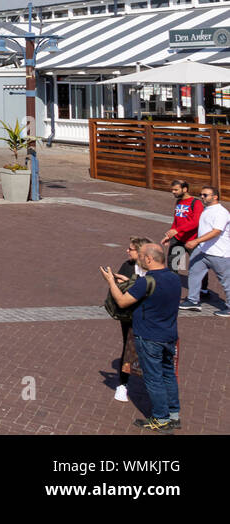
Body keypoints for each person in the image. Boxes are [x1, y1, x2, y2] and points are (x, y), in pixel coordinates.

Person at [101, 242, 181, 432]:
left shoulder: (147, 282)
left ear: (149, 259)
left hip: (149, 336)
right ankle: (174, 415)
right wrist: (130, 281)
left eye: (142, 256)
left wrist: (111, 282)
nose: (139, 259)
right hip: (169, 334)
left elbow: (121, 302)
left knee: (153, 379)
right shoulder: (174, 278)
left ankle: (161, 419)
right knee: (168, 374)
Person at [110, 236, 152, 402]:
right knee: (129, 346)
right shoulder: (127, 266)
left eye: (131, 249)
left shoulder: (153, 268)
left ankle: (152, 382)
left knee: (148, 349)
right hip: (129, 315)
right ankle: (122, 384)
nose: (127, 251)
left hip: (149, 316)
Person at [182, 186, 230, 316]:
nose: (202, 197)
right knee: (194, 273)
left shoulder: (221, 212)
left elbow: (216, 231)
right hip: (202, 251)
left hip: (219, 253)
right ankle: (193, 301)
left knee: (226, 281)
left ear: (215, 197)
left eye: (205, 195)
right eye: (201, 194)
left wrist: (196, 241)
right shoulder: (206, 210)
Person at [160, 179, 203, 275]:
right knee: (173, 265)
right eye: (172, 190)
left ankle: (203, 289)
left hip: (192, 240)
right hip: (178, 240)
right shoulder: (179, 202)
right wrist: (169, 235)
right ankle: (173, 285)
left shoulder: (196, 203)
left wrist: (177, 230)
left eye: (176, 190)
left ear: (185, 189)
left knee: (198, 266)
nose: (173, 192)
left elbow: (195, 222)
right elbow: (176, 221)